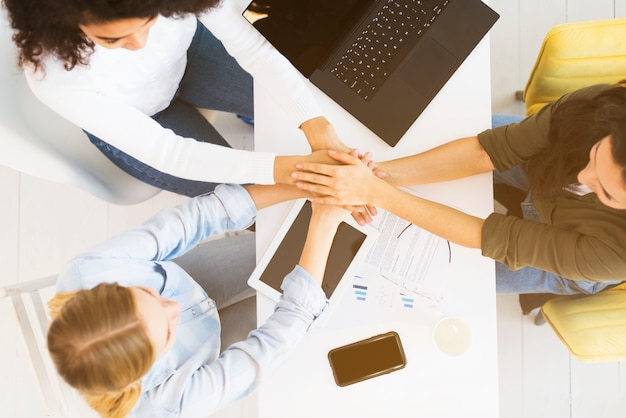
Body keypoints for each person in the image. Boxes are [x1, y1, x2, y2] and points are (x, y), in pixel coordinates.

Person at [291, 82, 626, 296]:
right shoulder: (599, 112)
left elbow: (493, 236)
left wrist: (375, 193)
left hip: (580, 247)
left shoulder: (615, 255)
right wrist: (378, 175)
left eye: (606, 192)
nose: (582, 178)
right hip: (547, 158)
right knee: (431, 134)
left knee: (445, 279)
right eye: (595, 155)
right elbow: (488, 151)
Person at [46, 182, 348, 417]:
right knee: (322, 308)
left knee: (278, 248)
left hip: (190, 276)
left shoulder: (92, 271)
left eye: (150, 293)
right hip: (210, 348)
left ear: (111, 287)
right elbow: (272, 345)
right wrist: (324, 221)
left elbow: (194, 218)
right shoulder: (167, 406)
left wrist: (310, 186)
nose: (174, 306)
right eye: (166, 332)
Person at [3, 0, 351, 196]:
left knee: (317, 105)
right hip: (140, 118)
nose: (140, 44)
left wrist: (313, 122)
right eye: (113, 40)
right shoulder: (52, 74)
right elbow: (169, 153)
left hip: (188, 56)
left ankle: (251, 112)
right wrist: (280, 169)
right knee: (255, 201)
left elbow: (253, 48)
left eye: (149, 20)